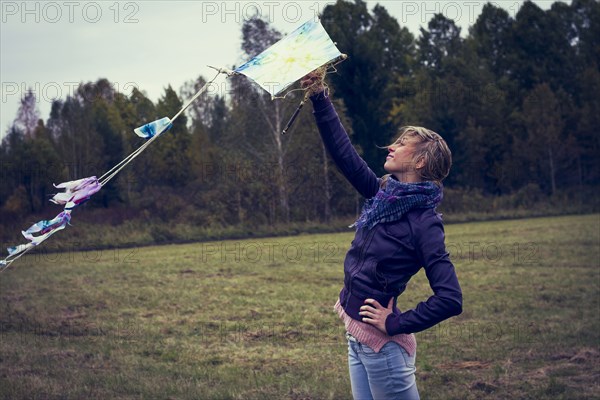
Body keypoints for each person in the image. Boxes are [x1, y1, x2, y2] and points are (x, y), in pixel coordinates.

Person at [301, 71, 463, 400]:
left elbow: (450, 298)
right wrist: (319, 95)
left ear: (420, 161)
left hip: (384, 349)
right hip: (357, 338)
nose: (391, 146)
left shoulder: (424, 222)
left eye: (401, 144)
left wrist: (394, 323)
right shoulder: (382, 197)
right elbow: (345, 156)